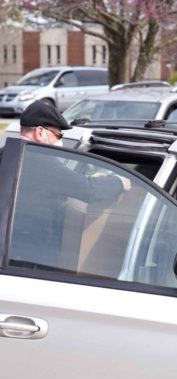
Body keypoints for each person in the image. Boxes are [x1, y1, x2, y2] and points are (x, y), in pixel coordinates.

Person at [9, 100, 131, 268]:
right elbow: (90, 191)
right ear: (40, 132)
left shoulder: (7, 154)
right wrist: (119, 181)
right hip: (31, 260)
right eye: (58, 135)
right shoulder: (43, 162)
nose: (59, 141)